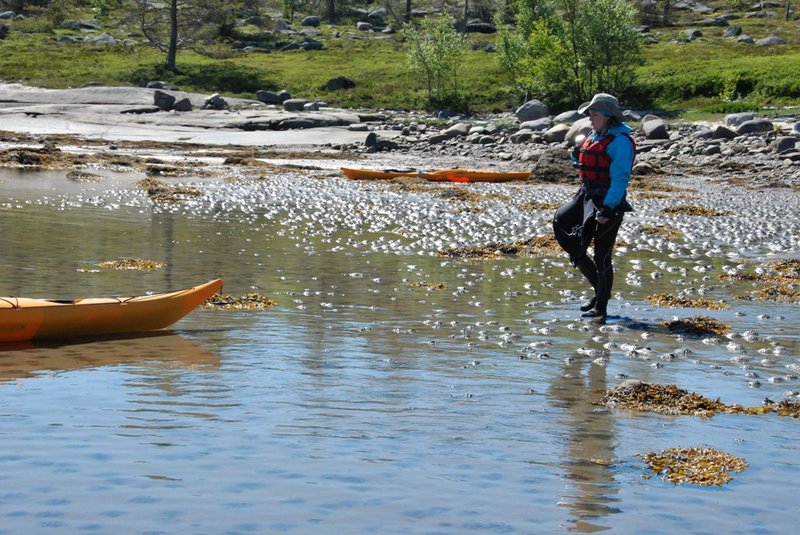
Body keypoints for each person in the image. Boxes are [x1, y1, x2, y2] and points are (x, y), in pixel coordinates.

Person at [553, 93, 635, 322]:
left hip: (609, 201)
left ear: (608, 116)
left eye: (594, 114)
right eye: (589, 114)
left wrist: (608, 209)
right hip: (586, 195)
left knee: (602, 256)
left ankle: (601, 307)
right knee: (562, 224)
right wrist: (577, 159)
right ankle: (599, 291)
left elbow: (620, 178)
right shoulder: (597, 134)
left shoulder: (620, 142)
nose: (590, 119)